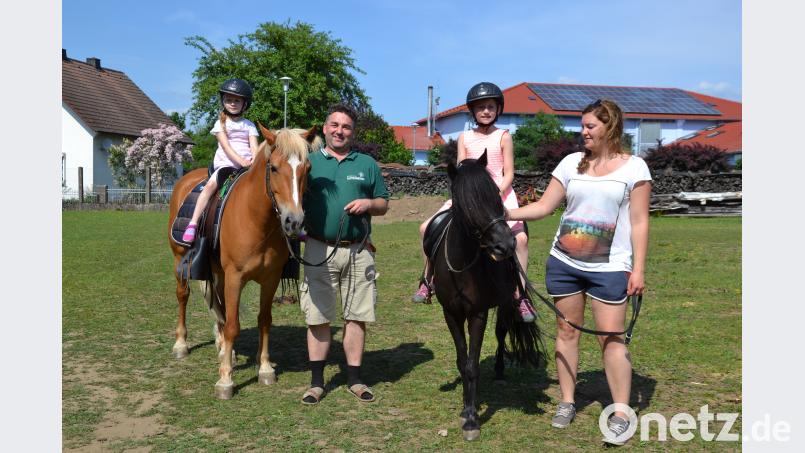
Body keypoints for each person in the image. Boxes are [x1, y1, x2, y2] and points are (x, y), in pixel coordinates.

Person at [507, 99, 651, 445]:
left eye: (590, 126)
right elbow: (543, 206)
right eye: (582, 125)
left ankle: (620, 412)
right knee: (566, 332)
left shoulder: (635, 169)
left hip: (611, 269)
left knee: (611, 339)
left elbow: (640, 222)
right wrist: (502, 214)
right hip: (565, 264)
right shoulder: (571, 163)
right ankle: (567, 401)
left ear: (610, 128)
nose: (582, 132)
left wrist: (638, 269)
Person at [411, 82, 537, 322]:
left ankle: (520, 295)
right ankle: (428, 280)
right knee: (425, 227)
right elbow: (460, 170)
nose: (486, 111)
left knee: (520, 239)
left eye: (490, 106)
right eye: (481, 107)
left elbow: (509, 172)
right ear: (473, 111)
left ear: (498, 109)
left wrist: (493, 193)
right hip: (468, 197)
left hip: (499, 195)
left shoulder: (504, 136)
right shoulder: (464, 137)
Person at [299, 103, 389, 405]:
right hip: (317, 247)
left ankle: (355, 380)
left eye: (346, 126)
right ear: (325, 129)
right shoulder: (308, 163)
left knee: (356, 316)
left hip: (358, 250)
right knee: (318, 316)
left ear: (353, 132)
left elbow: (383, 203)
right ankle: (316, 383)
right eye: (334, 125)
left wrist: (368, 204)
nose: (340, 131)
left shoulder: (366, 163)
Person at [182, 78, 258, 243]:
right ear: (223, 101)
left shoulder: (250, 125)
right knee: (210, 186)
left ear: (245, 104)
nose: (232, 103)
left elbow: (254, 147)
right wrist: (241, 161)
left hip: (248, 165)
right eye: (229, 100)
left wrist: (255, 161)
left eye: (237, 100)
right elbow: (226, 148)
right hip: (227, 165)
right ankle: (193, 223)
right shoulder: (220, 124)